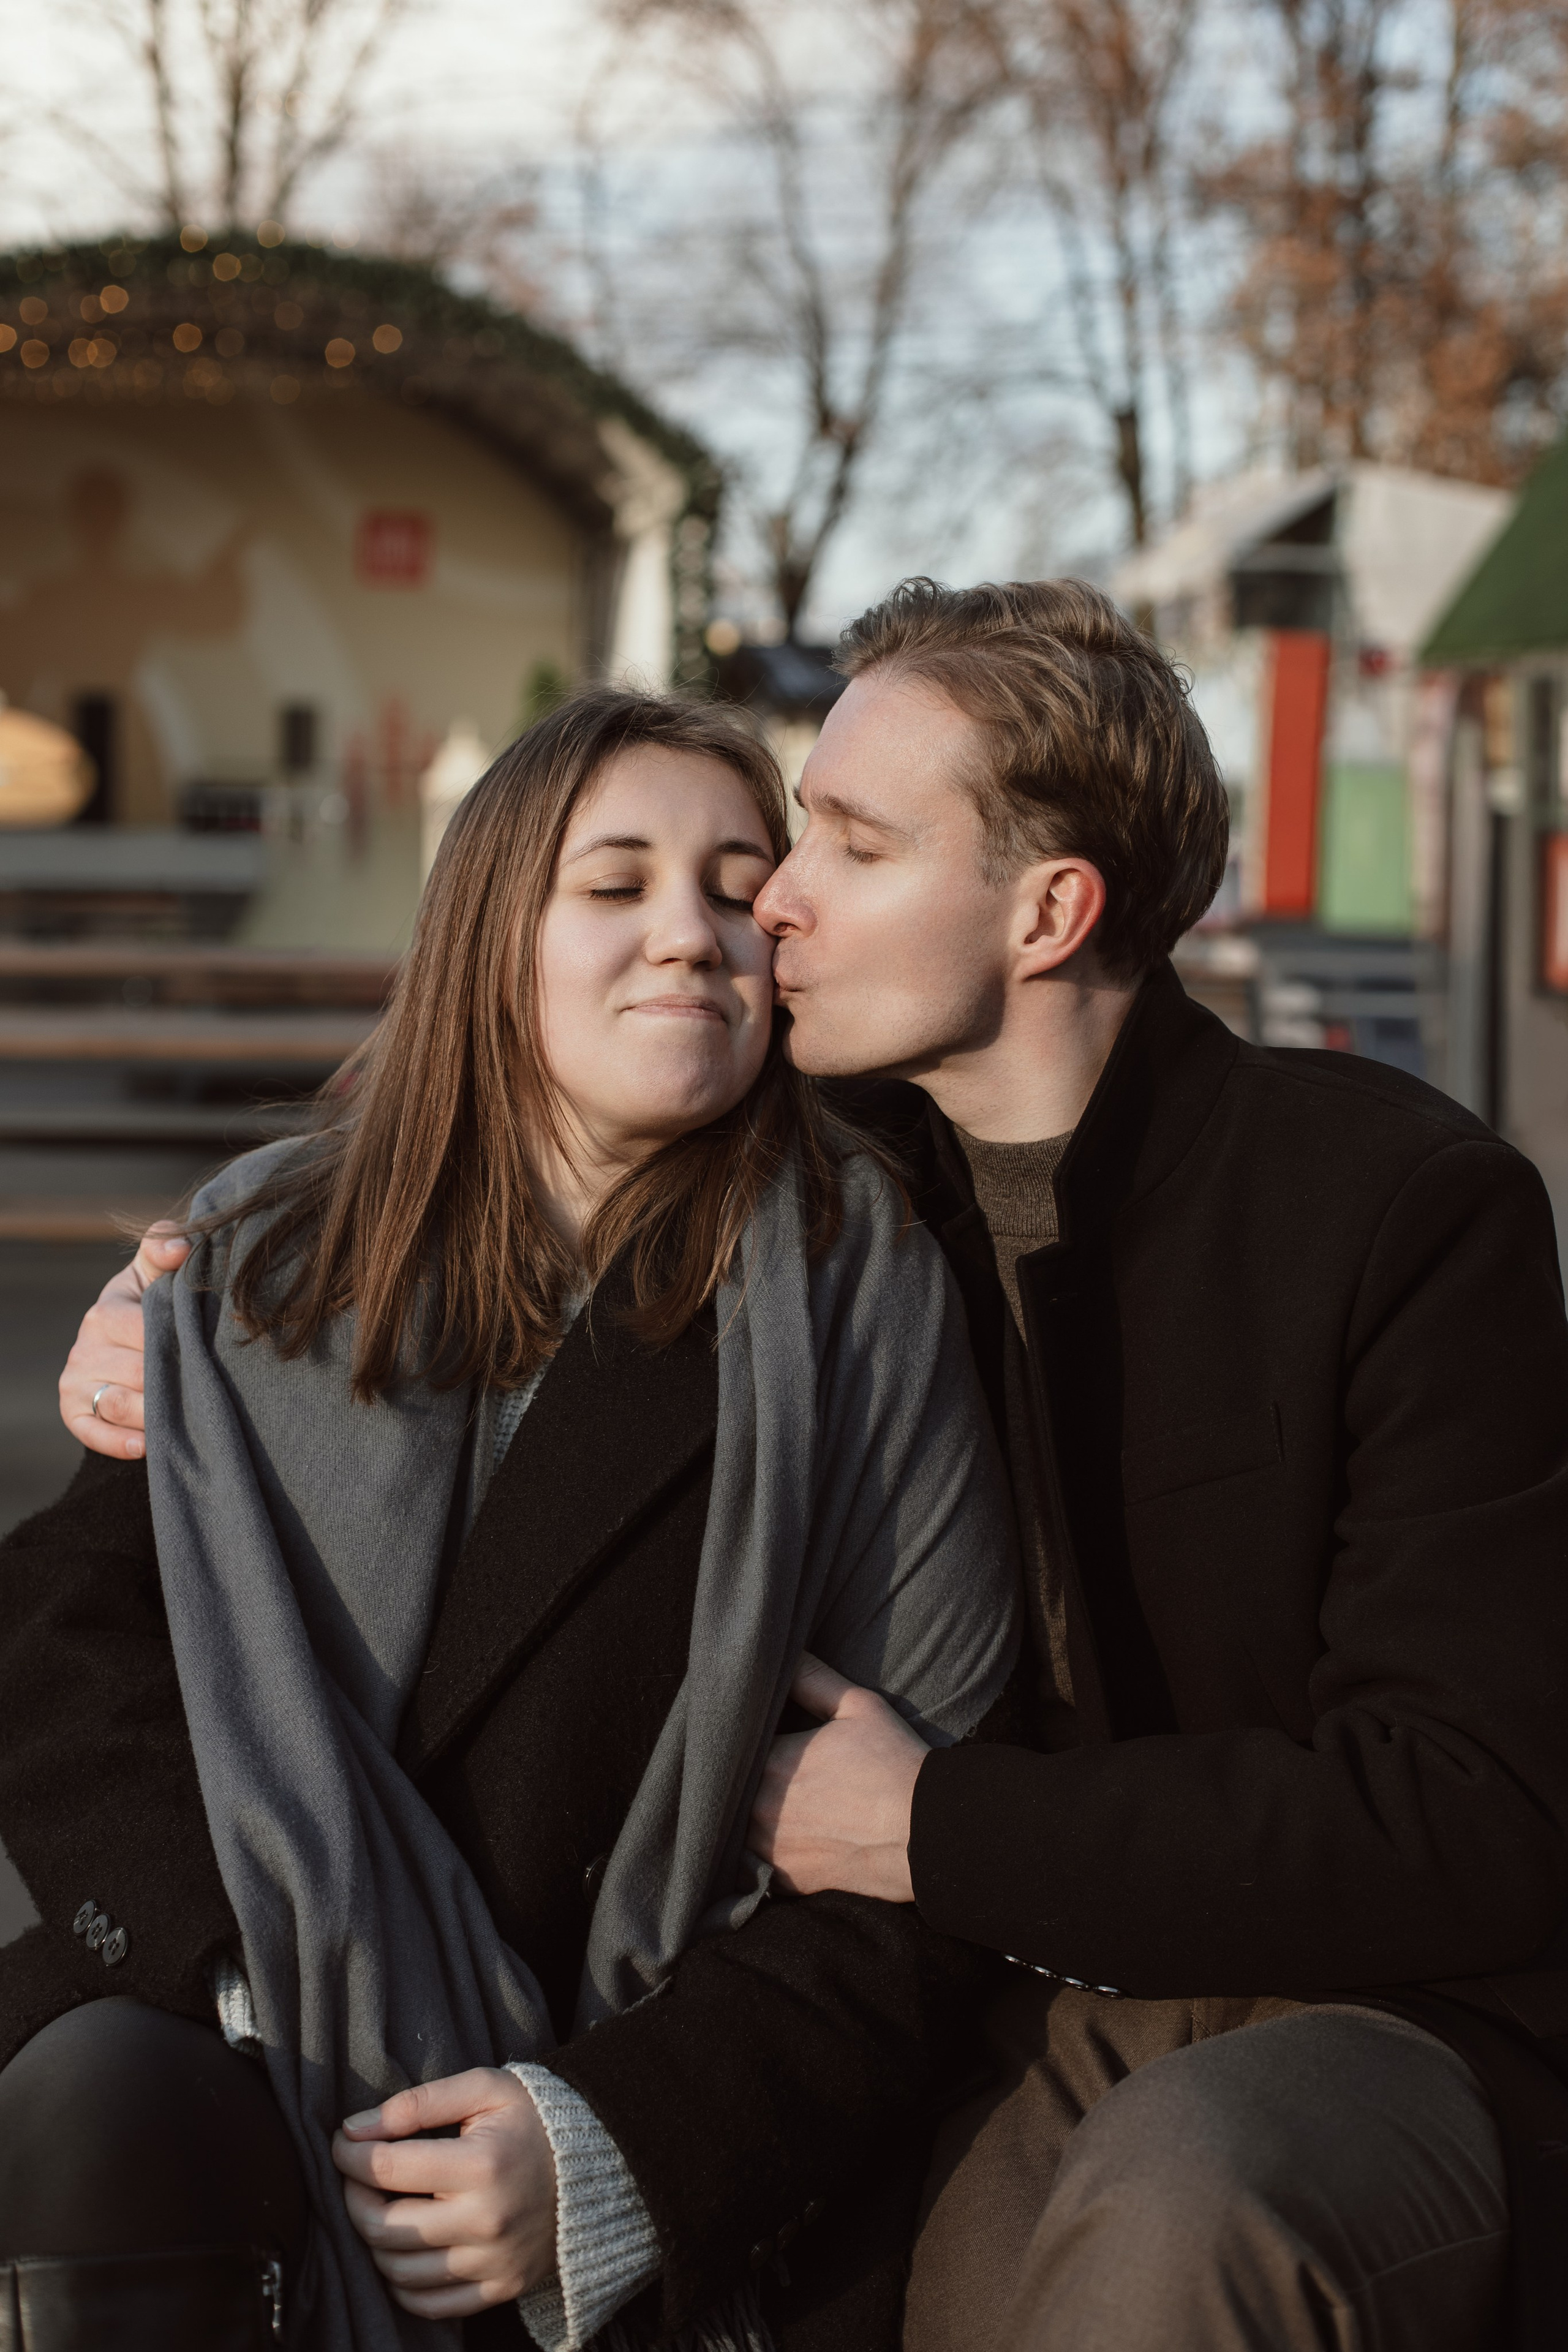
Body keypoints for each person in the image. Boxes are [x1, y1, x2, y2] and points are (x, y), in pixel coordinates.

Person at [62, 582, 1568, 2351]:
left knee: (1184, 2204)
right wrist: (188, 1319)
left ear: (1049, 910)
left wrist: (929, 1823)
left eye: (844, 843)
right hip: (989, 2014)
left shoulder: (1386, 1208)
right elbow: (470, 1213)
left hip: (1372, 2009)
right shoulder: (815, 1211)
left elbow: (1478, 1806)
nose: (768, 900)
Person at [4, 688, 1021, 2352]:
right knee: (95, 2111)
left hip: (630, 2096)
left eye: (736, 887)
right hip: (248, 2041)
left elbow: (920, 1846)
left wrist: (612, 2151)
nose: (687, 935)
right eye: (615, 884)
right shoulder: (261, 1255)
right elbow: (65, 1649)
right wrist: (248, 1970)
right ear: (497, 937)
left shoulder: (860, 1293)